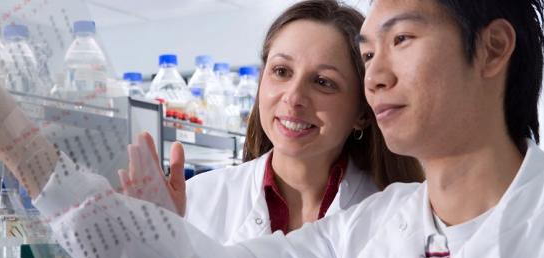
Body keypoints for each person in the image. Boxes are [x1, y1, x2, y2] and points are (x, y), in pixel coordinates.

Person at [0, 0, 544, 258]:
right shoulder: (375, 228)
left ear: (494, 50)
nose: (376, 77)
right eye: (369, 54)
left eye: (401, 42)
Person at [118, 0, 422, 245]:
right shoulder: (200, 200)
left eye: (322, 81)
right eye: (281, 71)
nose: (294, 97)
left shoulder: (394, 216)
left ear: (362, 112)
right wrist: (152, 244)